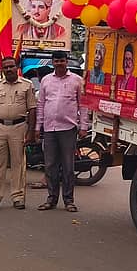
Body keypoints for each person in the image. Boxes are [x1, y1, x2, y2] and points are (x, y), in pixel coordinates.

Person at [35, 50, 88, 212]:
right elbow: (41, 105)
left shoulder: (77, 81)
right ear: (52, 62)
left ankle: (69, 201)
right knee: (50, 166)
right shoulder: (46, 81)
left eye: (62, 60)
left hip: (68, 129)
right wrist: (38, 127)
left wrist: (83, 126)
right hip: (50, 128)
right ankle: (51, 199)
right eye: (56, 61)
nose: (59, 63)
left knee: (68, 167)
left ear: (67, 62)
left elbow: (83, 105)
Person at [0, 56, 36, 211]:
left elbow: (32, 109)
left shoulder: (27, 85)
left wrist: (31, 132)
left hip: (19, 127)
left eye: (11, 66)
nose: (8, 70)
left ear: (16, 67)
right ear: (2, 69)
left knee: (18, 163)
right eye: (5, 67)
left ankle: (18, 197)